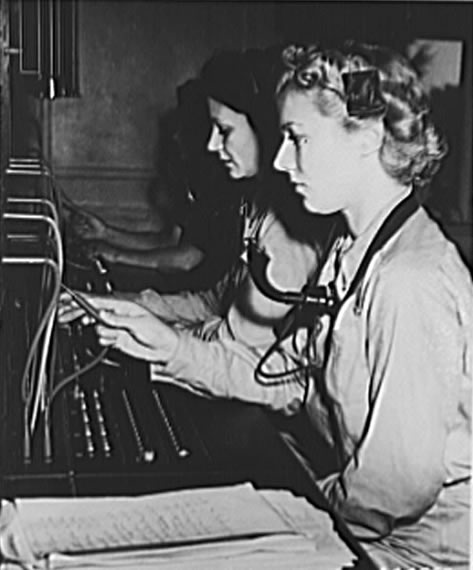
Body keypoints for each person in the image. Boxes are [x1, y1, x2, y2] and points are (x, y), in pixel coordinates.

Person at [266, 41, 471, 569]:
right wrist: (169, 350)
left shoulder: (409, 279)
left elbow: (396, 488)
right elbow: (283, 375)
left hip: (419, 556)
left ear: (369, 138)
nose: (280, 160)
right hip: (375, 536)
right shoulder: (354, 248)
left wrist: (303, 508)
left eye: (297, 138)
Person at [58, 48, 323, 412]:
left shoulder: (286, 231)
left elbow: (237, 347)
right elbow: (212, 302)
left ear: (264, 126)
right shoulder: (259, 207)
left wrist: (157, 337)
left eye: (224, 131)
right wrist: (126, 305)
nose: (212, 145)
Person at [64, 78, 242, 290]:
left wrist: (117, 255)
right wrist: (105, 233)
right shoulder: (196, 179)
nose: (176, 136)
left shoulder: (225, 186)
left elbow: (186, 260)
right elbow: (169, 241)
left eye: (186, 125)